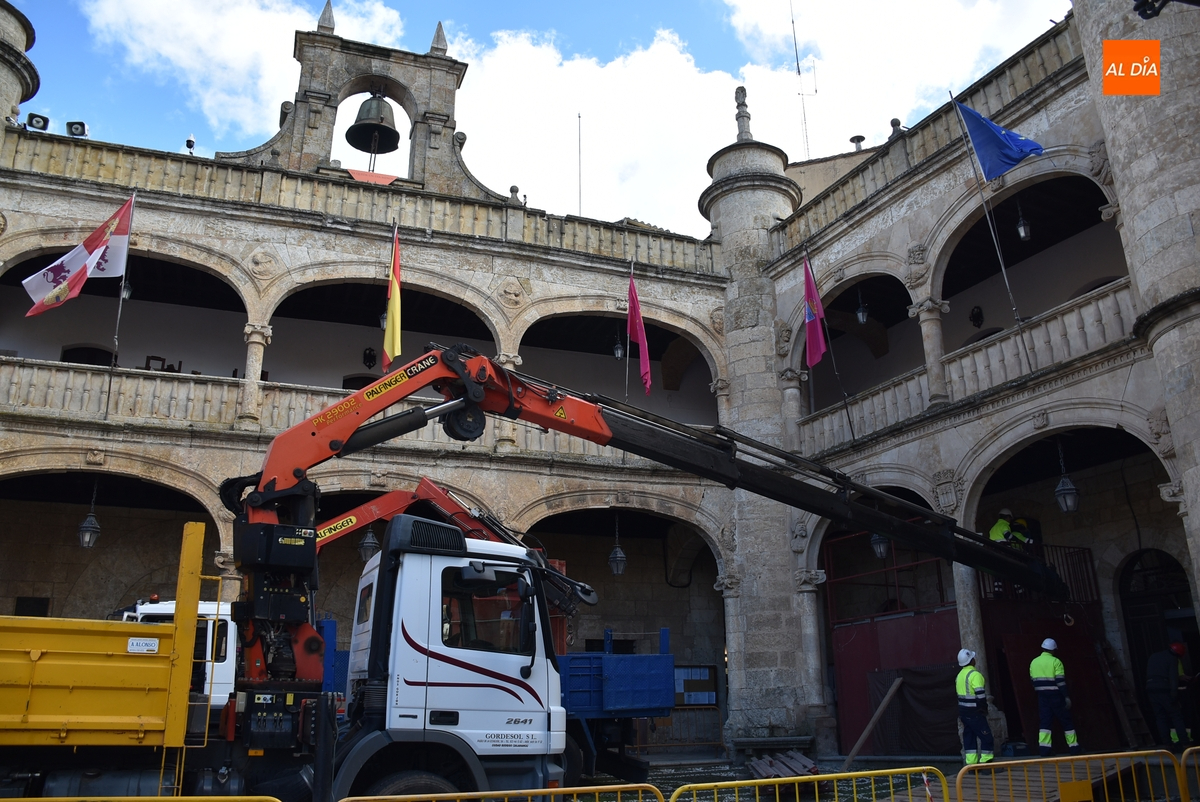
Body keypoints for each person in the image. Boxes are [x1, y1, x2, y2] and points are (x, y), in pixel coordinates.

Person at [1030, 638, 1081, 755]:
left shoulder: (1034, 662)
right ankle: (1074, 748)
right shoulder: (1056, 662)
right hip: (1056, 696)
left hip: (1042, 696)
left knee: (1045, 722)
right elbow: (1060, 682)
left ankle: (1044, 750)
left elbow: (1033, 681)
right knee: (1066, 721)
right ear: (1053, 650)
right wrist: (1066, 696)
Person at [1146, 642, 1193, 750]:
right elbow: (1173, 678)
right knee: (1176, 716)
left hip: (1151, 689)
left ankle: (1167, 744)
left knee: (1160, 717)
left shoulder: (1154, 656)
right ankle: (1185, 743)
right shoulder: (1172, 659)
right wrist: (1174, 695)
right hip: (1164, 690)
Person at [956, 648, 994, 764]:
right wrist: (984, 709)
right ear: (971, 661)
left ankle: (971, 765)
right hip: (975, 712)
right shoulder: (975, 675)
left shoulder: (959, 676)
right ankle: (986, 763)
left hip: (963, 712)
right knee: (986, 737)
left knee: (969, 737)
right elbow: (981, 696)